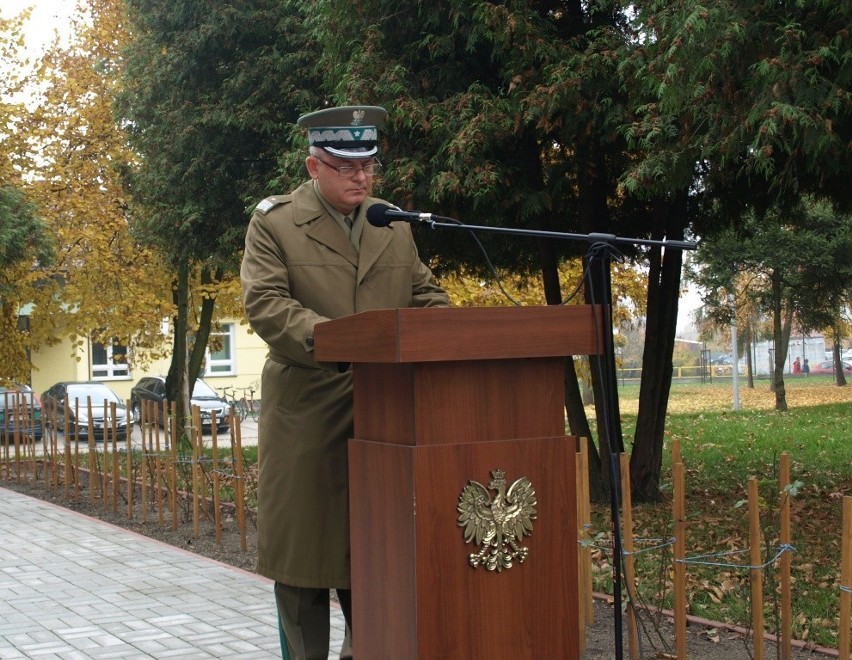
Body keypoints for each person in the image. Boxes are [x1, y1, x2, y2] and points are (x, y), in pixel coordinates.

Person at [240, 105, 451, 660]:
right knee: (304, 571)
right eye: (345, 165)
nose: (361, 176)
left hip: (387, 419)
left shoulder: (391, 222)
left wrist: (453, 331)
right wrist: (344, 342)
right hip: (307, 419)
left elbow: (424, 296)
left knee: (379, 568)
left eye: (369, 165)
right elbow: (266, 305)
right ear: (314, 166)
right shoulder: (275, 222)